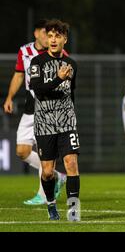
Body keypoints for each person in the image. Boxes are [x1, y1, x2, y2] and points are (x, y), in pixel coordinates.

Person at [3, 19, 66, 205]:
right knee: (22, 151)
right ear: (37, 33)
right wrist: (9, 97)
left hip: (48, 107)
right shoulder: (25, 51)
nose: (50, 38)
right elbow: (19, 74)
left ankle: (43, 195)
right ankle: (56, 176)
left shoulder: (58, 52)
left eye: (53, 34)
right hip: (30, 106)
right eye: (47, 33)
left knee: (44, 149)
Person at [29, 19, 80, 221]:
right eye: (50, 36)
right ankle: (51, 205)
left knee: (71, 163)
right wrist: (58, 78)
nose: (53, 40)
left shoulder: (72, 64)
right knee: (48, 172)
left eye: (57, 36)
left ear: (65, 39)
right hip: (45, 122)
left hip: (67, 121)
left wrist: (72, 115)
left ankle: (73, 211)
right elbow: (38, 90)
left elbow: (71, 93)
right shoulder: (37, 62)